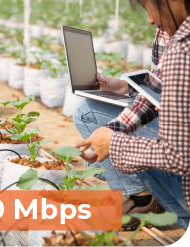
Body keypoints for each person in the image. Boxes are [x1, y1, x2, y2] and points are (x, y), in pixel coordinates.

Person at [74, 0, 190, 230]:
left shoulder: (182, 47)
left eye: (147, 5)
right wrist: (113, 129)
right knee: (94, 118)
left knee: (132, 153)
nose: (150, 19)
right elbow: (161, 85)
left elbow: (178, 155)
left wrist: (115, 144)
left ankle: (145, 201)